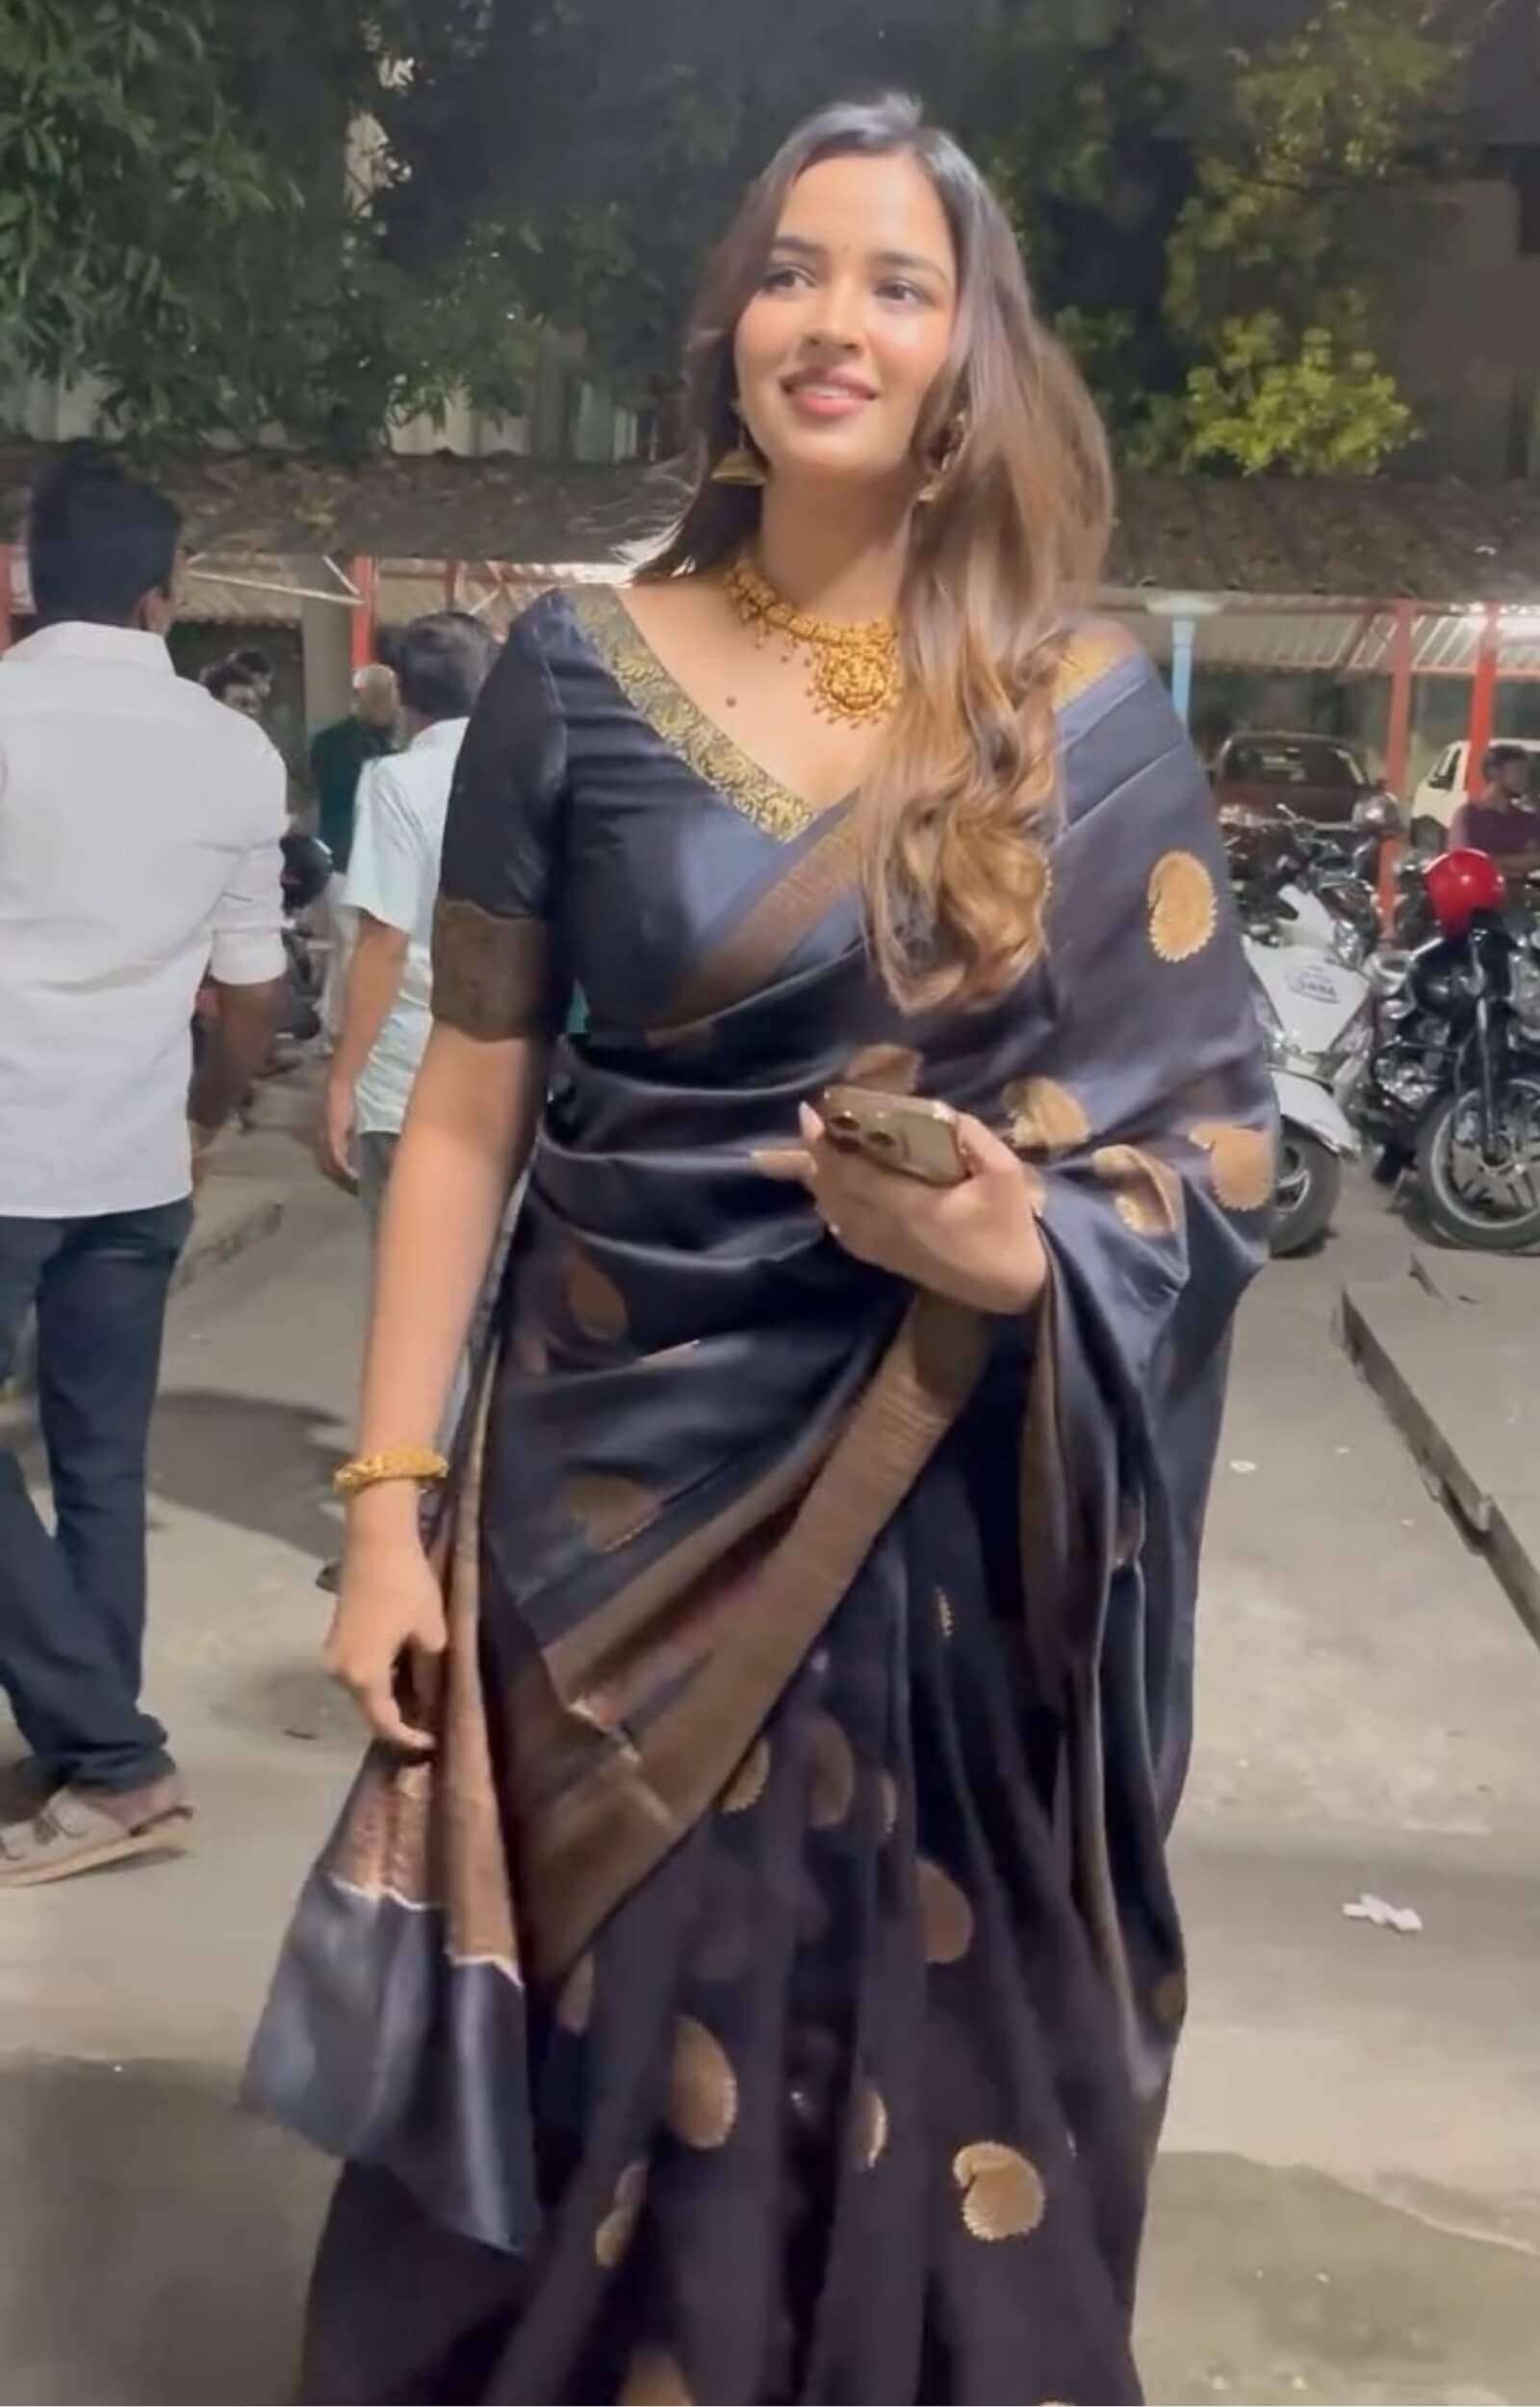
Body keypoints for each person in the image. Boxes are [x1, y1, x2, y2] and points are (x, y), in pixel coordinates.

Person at [248, 95, 1270, 2403]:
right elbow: (468, 1106)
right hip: (601, 1492)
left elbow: (1207, 1146)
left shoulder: (1074, 715)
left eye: (895, 285)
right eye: (794, 271)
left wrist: (1022, 1255)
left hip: (934, 1509)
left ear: (962, 354)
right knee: (605, 2014)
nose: (833, 321)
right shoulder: (576, 668)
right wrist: (387, 1507)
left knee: (894, 2026)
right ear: (730, 325)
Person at [0, 452, 286, 1886]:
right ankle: (89, 1752)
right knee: (103, 1465)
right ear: (163, 596)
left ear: (25, 579)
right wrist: (209, 1113)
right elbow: (254, 995)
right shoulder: (234, 753)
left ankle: (111, 1760)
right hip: (133, 1158)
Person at [317, 612, 500, 1226]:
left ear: (402, 694)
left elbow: (385, 942)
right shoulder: (540, 775)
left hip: (411, 1077)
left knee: (414, 1266)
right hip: (516, 1077)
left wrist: (341, 1081)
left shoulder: (397, 779)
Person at [1448, 740, 1540, 868]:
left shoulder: (1526, 819)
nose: (1525, 778)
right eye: (1519, 771)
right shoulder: (1468, 815)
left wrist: (1490, 860)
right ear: (1495, 773)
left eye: (1526, 772)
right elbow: (1463, 861)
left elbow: (1535, 860)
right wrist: (1518, 862)